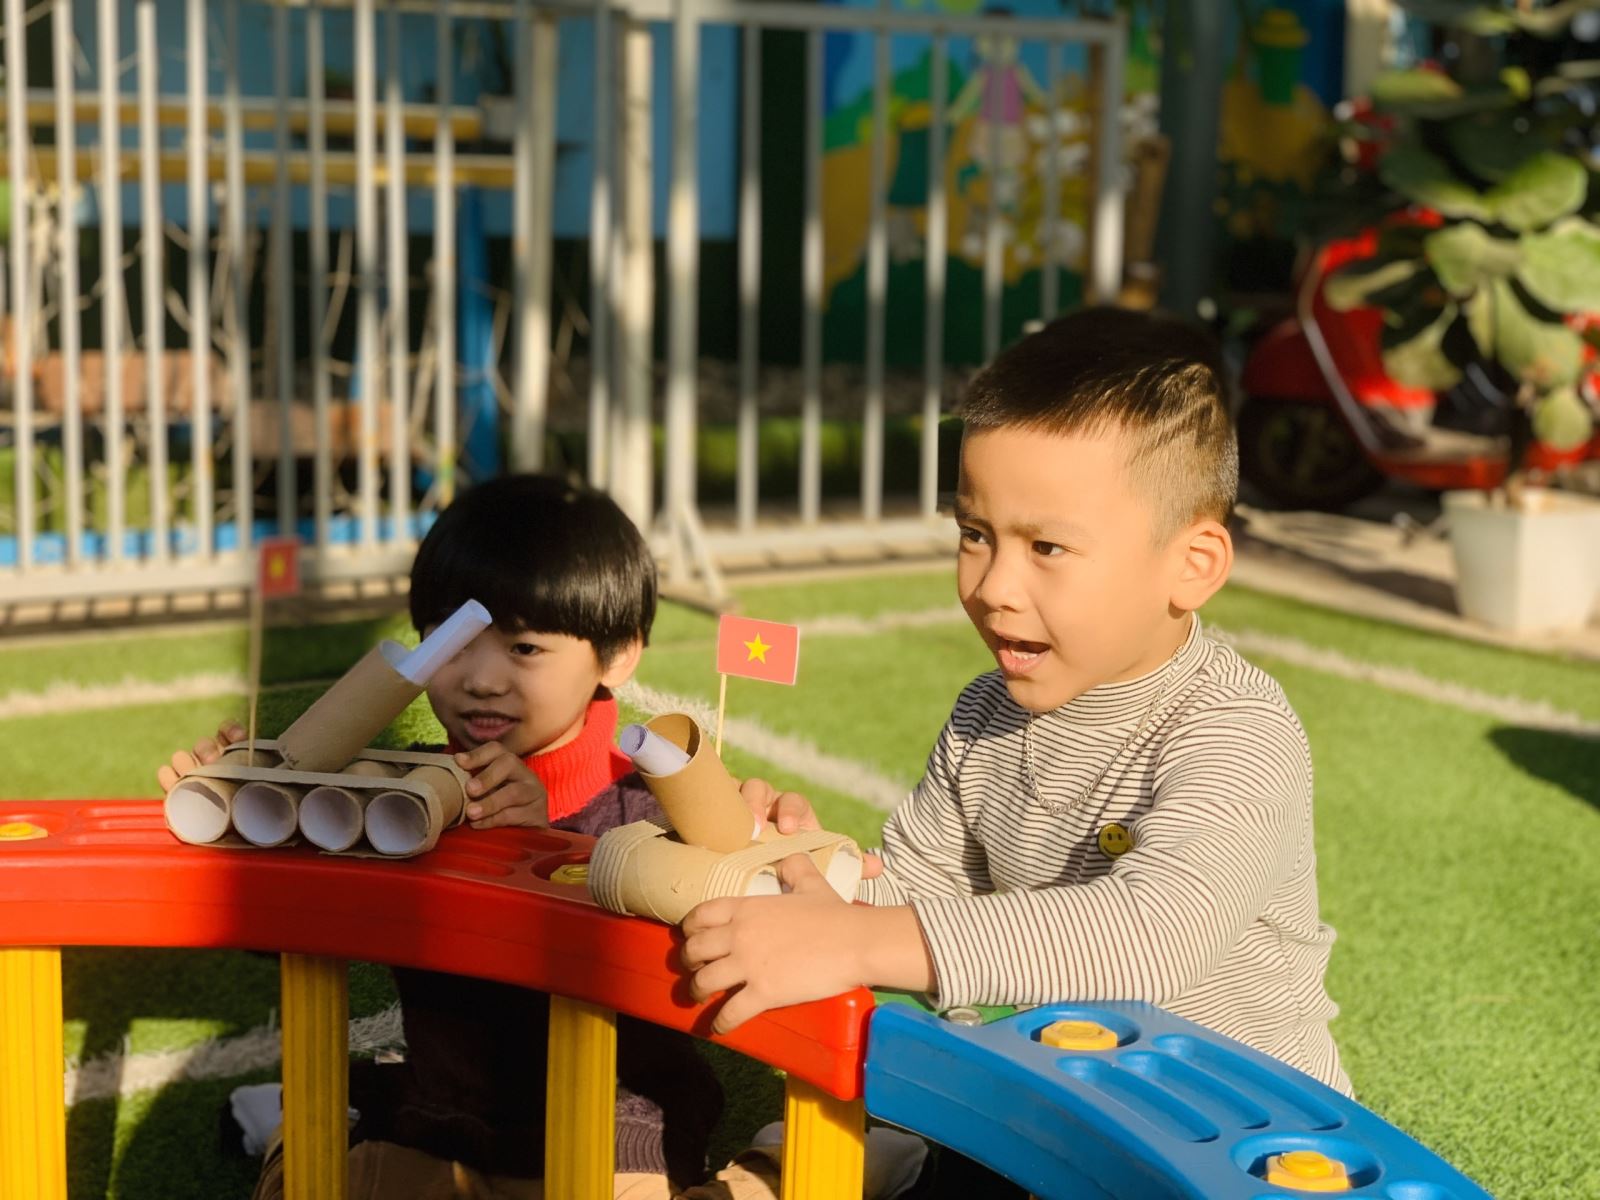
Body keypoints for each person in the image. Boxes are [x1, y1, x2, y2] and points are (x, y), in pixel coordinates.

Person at [679, 308, 1352, 1112]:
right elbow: (920, 888)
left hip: (1247, 1124)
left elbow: (1155, 934)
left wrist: (857, 940)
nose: (993, 586)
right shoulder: (984, 714)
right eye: (975, 533)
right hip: (1076, 1098)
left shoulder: (1237, 728)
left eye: (1047, 547)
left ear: (1193, 565)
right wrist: (800, 871)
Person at [161, 474, 723, 1200]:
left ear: (617, 655)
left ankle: (774, 1167)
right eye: (452, 642)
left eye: (524, 648)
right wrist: (243, 826)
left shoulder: (649, 806)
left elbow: (693, 954)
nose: (482, 680)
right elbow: (286, 932)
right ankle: (306, 1115)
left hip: (617, 1116)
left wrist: (547, 843)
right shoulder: (400, 796)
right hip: (444, 1118)